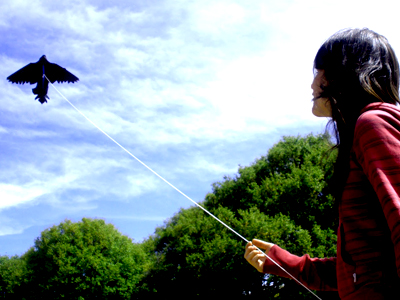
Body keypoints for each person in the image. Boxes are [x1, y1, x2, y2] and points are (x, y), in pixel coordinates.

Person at [244, 28, 400, 300]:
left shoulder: (373, 124)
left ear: (347, 72)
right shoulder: (363, 132)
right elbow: (360, 273)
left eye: (321, 70)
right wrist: (285, 262)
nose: (313, 83)